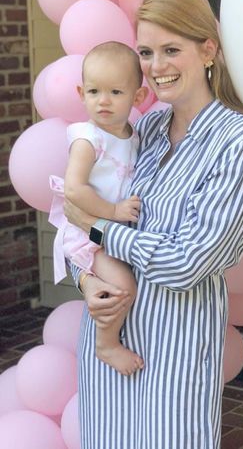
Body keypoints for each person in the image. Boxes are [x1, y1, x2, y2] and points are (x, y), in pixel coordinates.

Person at [65, 0, 243, 449]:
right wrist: (84, 280)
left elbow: (185, 263)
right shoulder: (147, 128)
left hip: (174, 350)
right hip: (109, 342)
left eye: (171, 49)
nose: (156, 65)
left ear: (208, 51)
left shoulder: (240, 142)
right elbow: (74, 220)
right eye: (146, 52)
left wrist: (99, 229)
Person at [50, 41, 147, 376]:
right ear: (81, 93)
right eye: (94, 91)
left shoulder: (133, 137)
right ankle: (106, 344)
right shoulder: (87, 138)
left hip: (109, 232)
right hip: (88, 233)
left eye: (115, 92)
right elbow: (75, 189)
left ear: (138, 98)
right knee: (123, 286)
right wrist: (115, 211)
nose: (103, 101)